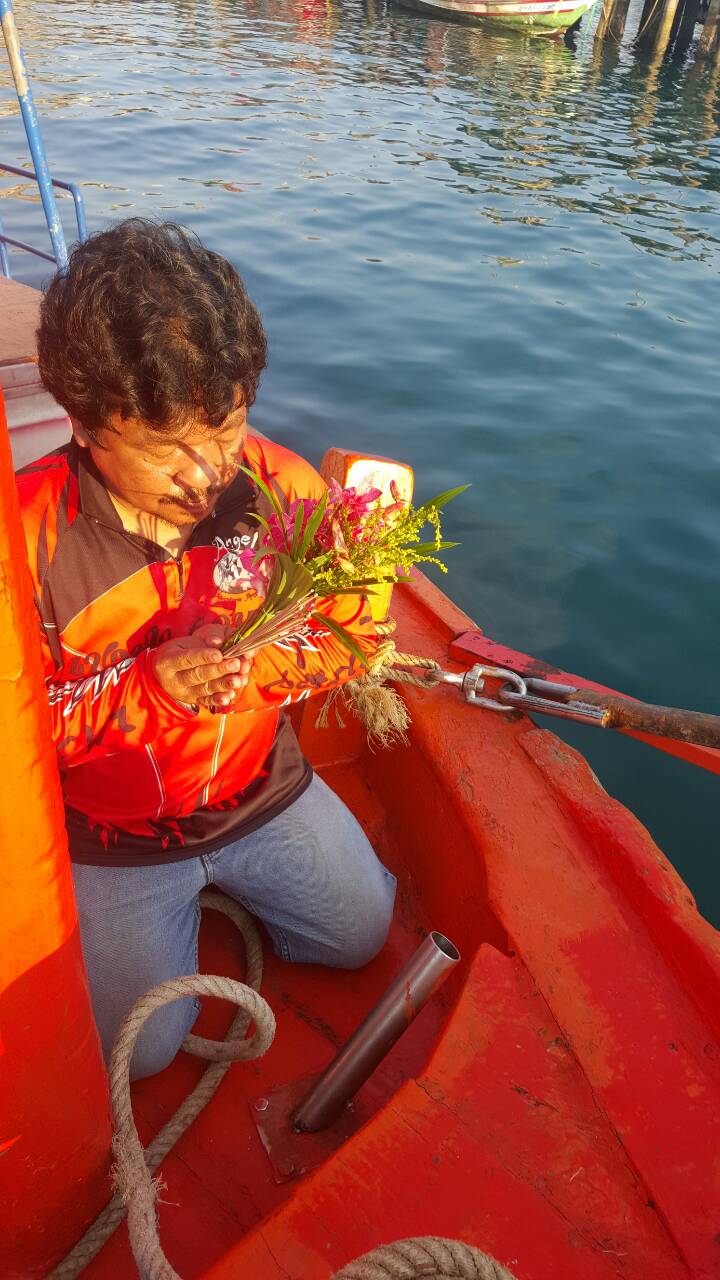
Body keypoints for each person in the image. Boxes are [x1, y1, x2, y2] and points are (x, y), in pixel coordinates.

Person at [17, 218, 396, 1080]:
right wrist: (148, 690)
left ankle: (222, 892)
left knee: (363, 934)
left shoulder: (283, 492)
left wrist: (254, 666)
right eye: (166, 449)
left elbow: (352, 633)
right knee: (141, 1054)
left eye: (225, 429)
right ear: (83, 422)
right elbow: (19, 733)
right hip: (113, 834)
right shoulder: (26, 542)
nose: (208, 474)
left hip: (257, 789)